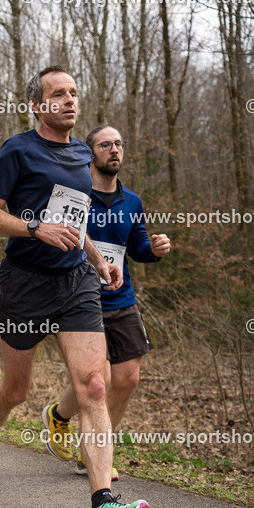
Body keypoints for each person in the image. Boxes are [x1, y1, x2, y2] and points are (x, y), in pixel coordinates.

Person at [0, 66, 150, 508]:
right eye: (58, 94)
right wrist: (34, 228)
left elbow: (78, 219)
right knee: (15, 391)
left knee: (94, 384)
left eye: (73, 93)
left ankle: (103, 505)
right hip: (25, 282)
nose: (69, 101)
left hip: (76, 281)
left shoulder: (82, 155)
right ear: (38, 105)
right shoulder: (18, 149)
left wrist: (96, 257)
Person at [40, 126, 171, 481]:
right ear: (90, 152)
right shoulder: (75, 195)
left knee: (127, 378)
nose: (114, 150)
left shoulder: (132, 201)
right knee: (100, 378)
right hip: (81, 294)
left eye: (119, 144)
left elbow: (138, 246)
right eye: (106, 145)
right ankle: (90, 448)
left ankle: (64, 420)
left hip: (121, 295)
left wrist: (154, 250)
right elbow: (57, 237)